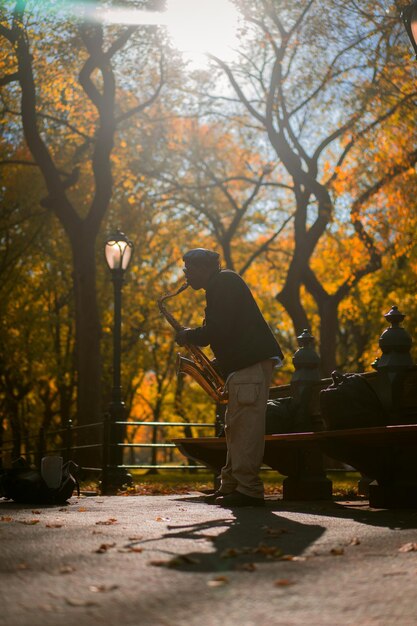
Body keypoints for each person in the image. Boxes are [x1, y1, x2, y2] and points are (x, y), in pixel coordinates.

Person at [175, 248, 284, 507]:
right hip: (243, 364)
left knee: (245, 429)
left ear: (203, 268)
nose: (186, 276)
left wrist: (189, 335)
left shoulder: (223, 283)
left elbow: (217, 330)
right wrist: (219, 361)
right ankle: (231, 486)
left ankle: (248, 490)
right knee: (235, 428)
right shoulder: (222, 284)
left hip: (250, 365)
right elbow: (231, 330)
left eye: (188, 270)